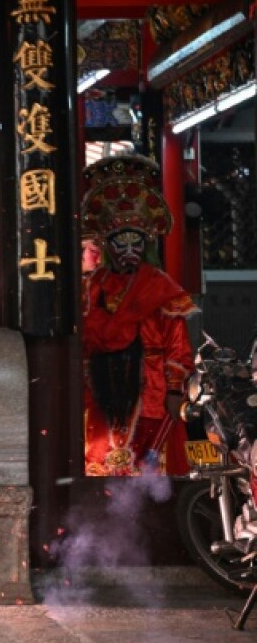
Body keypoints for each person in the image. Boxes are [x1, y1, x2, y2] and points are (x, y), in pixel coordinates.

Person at [81, 155, 197, 477]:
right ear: (107, 244)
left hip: (150, 391)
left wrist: (175, 390)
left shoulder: (160, 287)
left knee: (148, 473)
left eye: (137, 241)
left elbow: (179, 348)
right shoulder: (91, 287)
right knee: (99, 462)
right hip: (101, 389)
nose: (129, 248)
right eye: (122, 241)